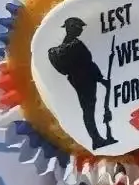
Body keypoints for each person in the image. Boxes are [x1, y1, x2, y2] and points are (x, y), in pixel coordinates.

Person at [47, 17, 115, 149]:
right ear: (72, 28)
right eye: (79, 27)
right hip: (85, 80)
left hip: (81, 80)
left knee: (89, 109)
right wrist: (101, 79)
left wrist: (100, 79)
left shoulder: (70, 44)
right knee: (88, 110)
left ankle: (97, 139)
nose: (81, 30)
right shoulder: (74, 45)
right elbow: (87, 64)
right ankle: (96, 140)